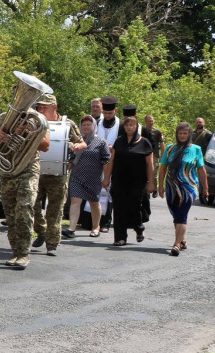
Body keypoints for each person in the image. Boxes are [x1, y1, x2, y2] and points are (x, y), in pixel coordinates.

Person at [0, 88, 51, 270]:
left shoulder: (37, 119)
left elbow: (46, 146)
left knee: (24, 208)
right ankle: (16, 251)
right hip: (8, 169)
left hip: (28, 169)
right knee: (11, 213)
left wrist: (28, 132)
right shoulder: (3, 117)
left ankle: (24, 253)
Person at [31, 94, 86, 255]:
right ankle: (41, 231)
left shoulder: (67, 124)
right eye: (39, 107)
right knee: (31, 206)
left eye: (44, 107)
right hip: (36, 171)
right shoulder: (35, 122)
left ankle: (52, 243)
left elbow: (83, 142)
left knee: (55, 211)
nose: (40, 109)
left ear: (54, 107)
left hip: (58, 174)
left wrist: (77, 146)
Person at [157, 121, 209, 256]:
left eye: (185, 133)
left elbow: (201, 169)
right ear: (176, 134)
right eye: (180, 133)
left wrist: (206, 188)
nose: (182, 136)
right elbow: (163, 168)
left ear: (189, 134)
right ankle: (182, 239)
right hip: (171, 187)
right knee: (175, 213)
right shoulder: (169, 148)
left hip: (189, 187)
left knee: (181, 214)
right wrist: (160, 186)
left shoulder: (196, 149)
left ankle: (176, 244)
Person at [105, 112, 154, 246]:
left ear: (136, 126)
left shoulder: (144, 142)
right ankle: (120, 238)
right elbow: (112, 161)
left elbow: (150, 165)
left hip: (138, 181)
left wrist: (151, 183)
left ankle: (139, 228)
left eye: (132, 125)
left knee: (134, 205)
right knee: (119, 207)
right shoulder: (119, 141)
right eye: (127, 125)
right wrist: (106, 178)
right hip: (119, 180)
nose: (129, 127)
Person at [65, 115, 111, 238]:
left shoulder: (101, 142)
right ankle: (71, 229)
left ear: (94, 126)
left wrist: (106, 179)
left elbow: (106, 161)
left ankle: (96, 227)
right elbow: (71, 159)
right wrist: (65, 175)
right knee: (75, 200)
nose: (86, 127)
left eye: (88, 124)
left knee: (94, 202)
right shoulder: (77, 141)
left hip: (94, 177)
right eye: (84, 124)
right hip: (77, 176)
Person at [92, 96, 121, 232]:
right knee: (96, 190)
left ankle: (107, 221)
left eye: (110, 113)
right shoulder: (97, 122)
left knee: (109, 191)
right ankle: (92, 221)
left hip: (114, 161)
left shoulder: (120, 125)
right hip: (98, 162)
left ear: (115, 111)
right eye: (106, 113)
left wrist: (113, 148)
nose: (108, 116)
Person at [142, 115, 164, 198]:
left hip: (154, 155)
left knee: (154, 173)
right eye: (149, 121)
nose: (151, 122)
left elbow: (162, 143)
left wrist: (163, 155)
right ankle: (147, 190)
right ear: (145, 121)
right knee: (145, 173)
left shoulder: (157, 132)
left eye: (152, 121)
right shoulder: (142, 131)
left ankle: (155, 189)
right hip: (144, 154)